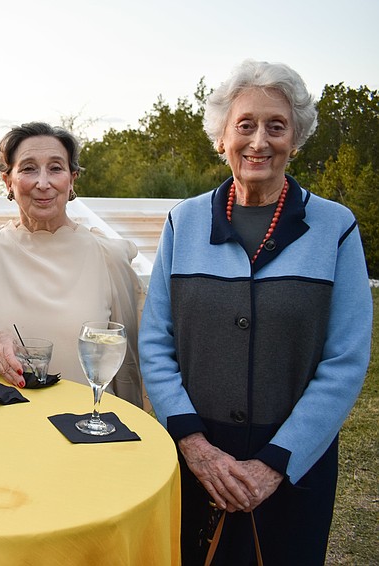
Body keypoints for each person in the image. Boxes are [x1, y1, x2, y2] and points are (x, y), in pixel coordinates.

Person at [139, 60, 372, 565]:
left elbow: (346, 360)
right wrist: (196, 448)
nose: (259, 141)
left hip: (296, 467)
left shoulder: (336, 228)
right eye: (245, 125)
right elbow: (156, 342)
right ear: (222, 137)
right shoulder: (183, 221)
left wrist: (274, 465)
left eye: (276, 126)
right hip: (195, 461)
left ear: (296, 138)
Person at [0, 122, 144, 406]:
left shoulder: (109, 256)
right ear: (8, 181)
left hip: (86, 422)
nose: (43, 183)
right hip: (3, 421)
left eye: (55, 168)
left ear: (72, 179)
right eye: (28, 168)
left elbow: (127, 366)